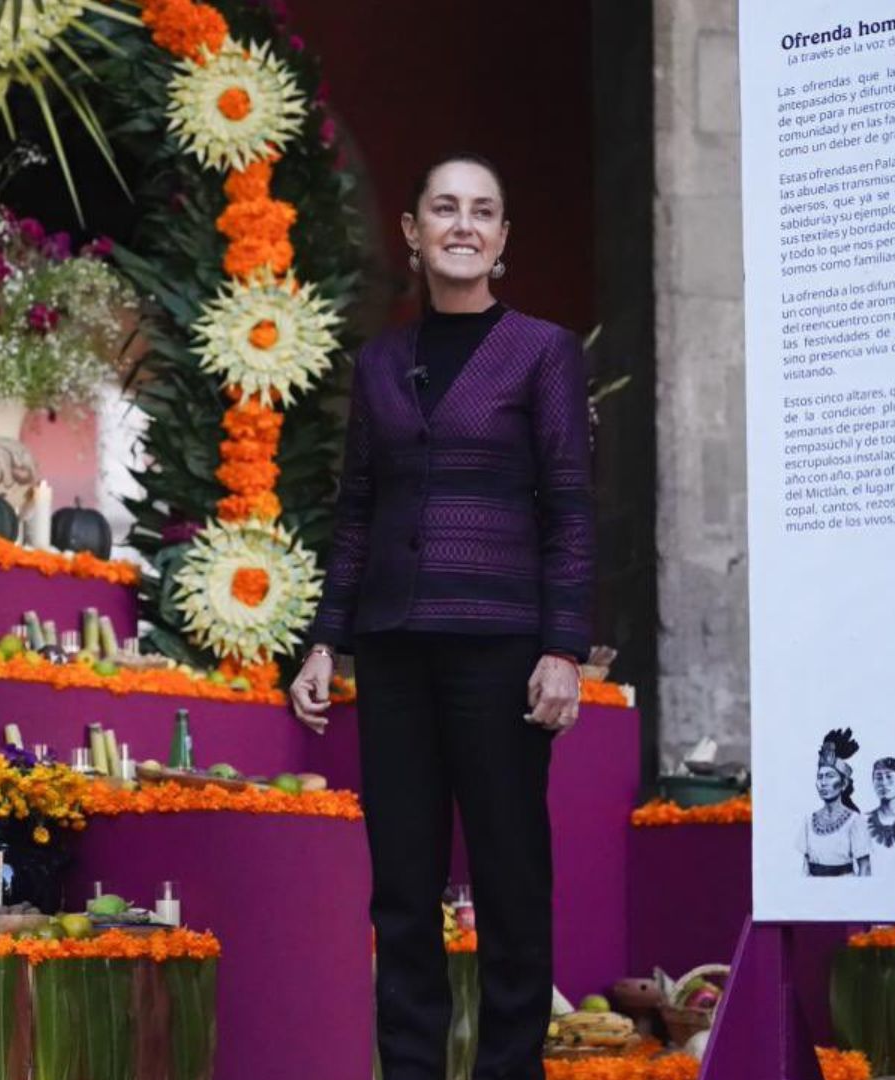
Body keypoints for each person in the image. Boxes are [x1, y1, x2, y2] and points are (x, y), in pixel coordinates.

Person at [288, 153, 593, 1080]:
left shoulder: (542, 350)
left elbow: (570, 505)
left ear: (501, 241)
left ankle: (510, 1070)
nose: (465, 224)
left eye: (485, 212)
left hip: (500, 650)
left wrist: (564, 648)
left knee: (508, 881)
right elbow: (355, 512)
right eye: (446, 209)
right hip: (392, 656)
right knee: (403, 893)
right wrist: (324, 639)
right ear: (412, 234)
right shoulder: (379, 363)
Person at [796, 729, 870, 876]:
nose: (823, 783)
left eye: (830, 776)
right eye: (820, 777)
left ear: (843, 784)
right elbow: (804, 866)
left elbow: (865, 868)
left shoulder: (855, 821)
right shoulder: (808, 821)